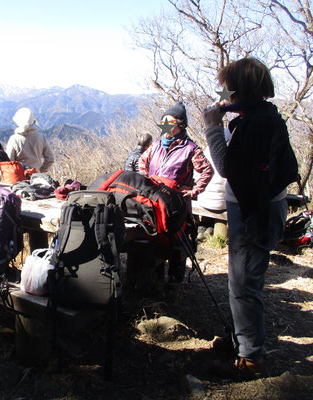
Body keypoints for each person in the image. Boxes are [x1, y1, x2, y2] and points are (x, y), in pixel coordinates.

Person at [203, 57, 298, 379]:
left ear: (238, 89)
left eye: (227, 86)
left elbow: (227, 168)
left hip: (255, 212)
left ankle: (251, 358)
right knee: (239, 282)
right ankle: (240, 340)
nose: (223, 91)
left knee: (244, 285)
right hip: (254, 207)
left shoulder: (257, 123)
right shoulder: (259, 116)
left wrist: (212, 127)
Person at [139, 101, 214, 284]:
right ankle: (154, 283)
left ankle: (175, 285)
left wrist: (195, 190)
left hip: (177, 206)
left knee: (177, 246)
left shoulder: (191, 149)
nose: (165, 125)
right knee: (155, 242)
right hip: (155, 203)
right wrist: (147, 181)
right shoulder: (156, 145)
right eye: (163, 121)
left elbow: (207, 170)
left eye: (170, 122)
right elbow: (142, 162)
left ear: (180, 125)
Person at [6, 108, 54, 172]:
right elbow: (50, 159)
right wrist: (41, 171)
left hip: (20, 178)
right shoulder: (41, 138)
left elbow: (9, 161)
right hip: (37, 177)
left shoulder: (14, 139)